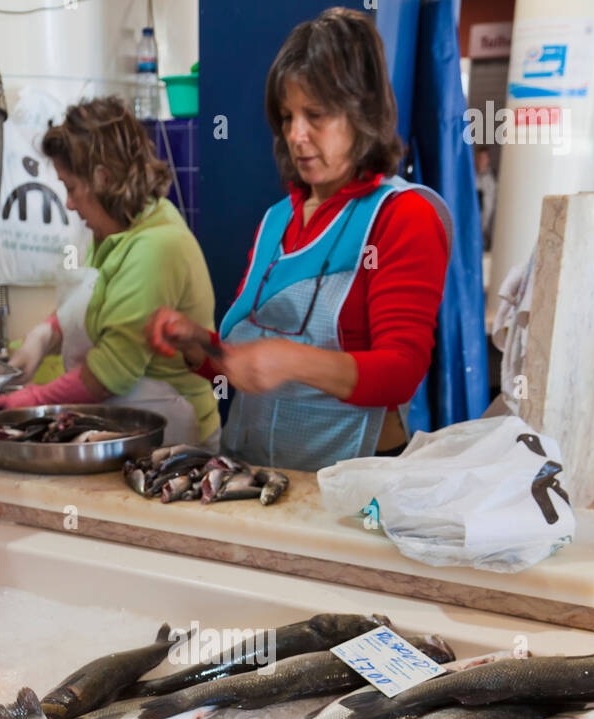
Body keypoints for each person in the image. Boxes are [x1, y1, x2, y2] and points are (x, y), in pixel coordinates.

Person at [145, 7, 451, 471]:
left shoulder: (402, 215)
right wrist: (200, 347)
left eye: (316, 115)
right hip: (260, 476)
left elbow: (399, 372)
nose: (296, 134)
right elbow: (251, 363)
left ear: (363, 112)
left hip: (351, 485)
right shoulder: (276, 221)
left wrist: (291, 360)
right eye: (287, 117)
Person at [0, 97, 220, 446]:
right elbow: (88, 303)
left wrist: (34, 400)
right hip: (122, 428)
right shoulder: (111, 228)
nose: (69, 203)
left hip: (173, 436)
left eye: (71, 187)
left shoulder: (155, 248)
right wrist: (42, 337)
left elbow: (113, 373)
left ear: (103, 178)